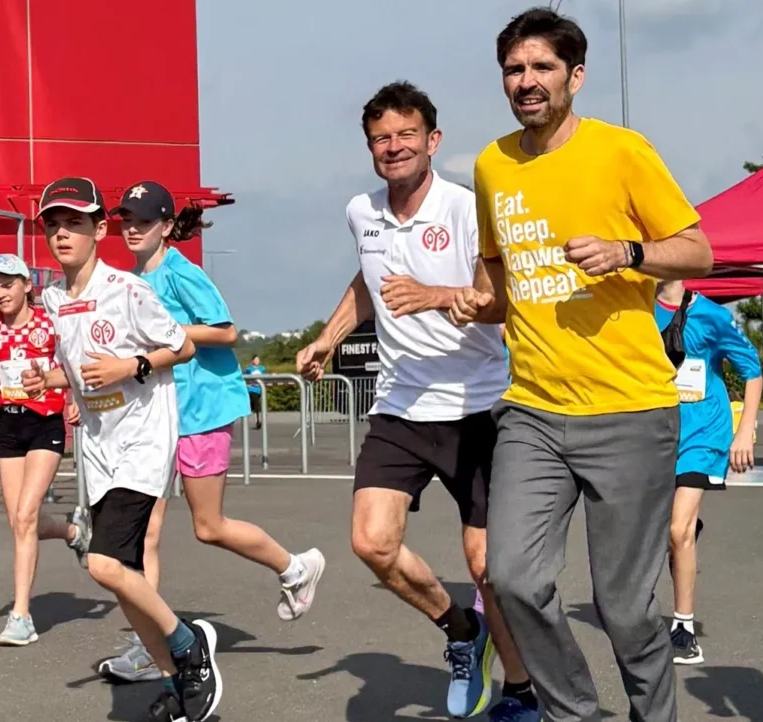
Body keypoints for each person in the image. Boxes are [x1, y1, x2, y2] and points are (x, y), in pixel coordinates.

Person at [447, 6, 715, 716]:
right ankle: (576, 713)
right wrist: (472, 304)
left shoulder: (621, 151)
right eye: (514, 69)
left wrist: (627, 252)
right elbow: (504, 286)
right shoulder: (491, 166)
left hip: (628, 411)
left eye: (541, 68)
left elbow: (698, 250)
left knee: (624, 609)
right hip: (532, 410)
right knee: (511, 579)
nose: (527, 82)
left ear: (576, 76)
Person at [296, 81, 538, 721]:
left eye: (407, 135)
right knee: (372, 543)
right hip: (400, 407)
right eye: (381, 138)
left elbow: (506, 303)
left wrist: (433, 295)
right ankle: (462, 632)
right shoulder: (361, 212)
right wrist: (327, 337)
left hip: (478, 407)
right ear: (370, 148)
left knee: (487, 563)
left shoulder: (467, 209)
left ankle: (519, 691)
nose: (394, 147)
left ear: (433, 141)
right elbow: (369, 283)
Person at [93, 180, 325, 684]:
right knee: (144, 535)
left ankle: (295, 567)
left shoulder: (181, 273)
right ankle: (150, 645)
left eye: (143, 222)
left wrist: (166, 335)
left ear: (168, 227)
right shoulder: (134, 280)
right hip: (159, 417)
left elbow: (225, 331)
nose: (132, 229)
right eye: (125, 221)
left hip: (203, 411)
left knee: (208, 526)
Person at [21, 176, 223, 722]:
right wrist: (54, 382)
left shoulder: (130, 290)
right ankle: (177, 686)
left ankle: (187, 645)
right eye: (53, 225)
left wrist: (128, 366)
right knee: (126, 577)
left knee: (104, 562)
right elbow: (78, 367)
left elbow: (180, 347)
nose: (63, 234)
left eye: (75, 224)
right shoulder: (53, 297)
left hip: (143, 439)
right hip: (99, 447)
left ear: (98, 230)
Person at [0, 252, 89, 646]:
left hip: (45, 424)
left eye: (7, 285)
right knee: (20, 521)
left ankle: (21, 615)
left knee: (26, 513)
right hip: (9, 425)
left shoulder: (50, 325)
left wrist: (72, 397)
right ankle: (73, 531)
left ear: (26, 285)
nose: (0, 294)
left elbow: (72, 365)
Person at [653, 279, 763, 665]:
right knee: (669, 533)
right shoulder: (634, 311)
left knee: (678, 529)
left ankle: (684, 630)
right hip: (655, 435)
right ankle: (683, 540)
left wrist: (744, 431)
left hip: (703, 434)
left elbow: (752, 370)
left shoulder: (712, 316)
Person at [245, 356, 266, 429]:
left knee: (255, 406)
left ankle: (256, 419)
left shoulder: (262, 368)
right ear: (252, 360)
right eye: (256, 359)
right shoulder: (249, 369)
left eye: (258, 359)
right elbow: (245, 377)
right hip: (251, 389)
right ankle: (257, 421)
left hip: (259, 389)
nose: (257, 361)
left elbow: (264, 377)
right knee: (256, 405)